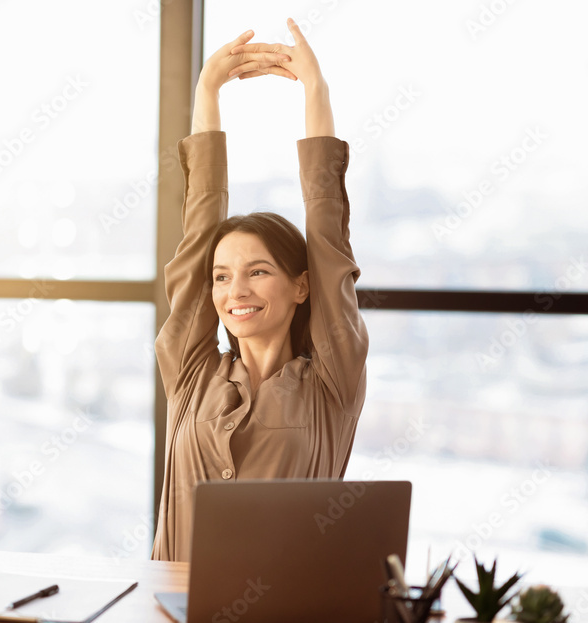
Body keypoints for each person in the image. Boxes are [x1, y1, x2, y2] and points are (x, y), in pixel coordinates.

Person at [151, 19, 368, 562]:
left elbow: (326, 234)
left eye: (258, 271)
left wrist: (315, 93)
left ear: (300, 286)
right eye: (222, 276)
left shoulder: (331, 383)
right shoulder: (191, 372)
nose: (234, 290)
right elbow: (198, 231)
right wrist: (206, 93)